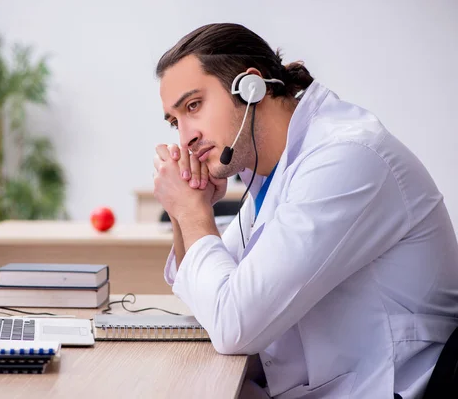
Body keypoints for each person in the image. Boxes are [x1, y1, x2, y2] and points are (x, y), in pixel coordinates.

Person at [152, 23, 458, 399]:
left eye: (193, 106)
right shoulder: (275, 173)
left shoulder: (345, 158)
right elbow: (207, 297)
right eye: (174, 121)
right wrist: (189, 205)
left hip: (382, 389)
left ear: (250, 87)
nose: (185, 137)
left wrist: (191, 211)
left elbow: (233, 324)